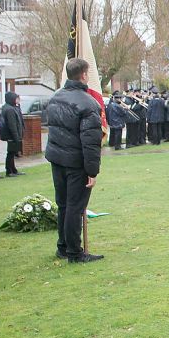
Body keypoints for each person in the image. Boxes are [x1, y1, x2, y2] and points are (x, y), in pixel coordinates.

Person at [45, 58, 103, 264]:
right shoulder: (88, 104)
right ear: (84, 75)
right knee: (74, 207)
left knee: (63, 205)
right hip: (74, 162)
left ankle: (64, 246)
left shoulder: (55, 97)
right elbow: (91, 142)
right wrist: (92, 171)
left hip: (57, 158)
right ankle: (74, 252)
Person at [0, 92, 25, 177]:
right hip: (11, 135)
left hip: (13, 134)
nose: (19, 100)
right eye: (17, 98)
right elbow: (12, 124)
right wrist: (16, 137)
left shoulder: (13, 108)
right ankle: (9, 171)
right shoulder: (9, 109)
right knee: (10, 153)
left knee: (13, 152)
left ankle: (13, 169)